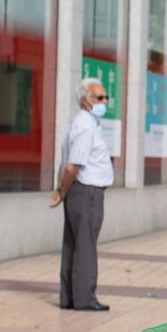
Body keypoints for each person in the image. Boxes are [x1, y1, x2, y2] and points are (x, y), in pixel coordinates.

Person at [51, 78, 115, 311]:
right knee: (86, 245)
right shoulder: (86, 125)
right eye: (99, 97)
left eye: (106, 97)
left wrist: (63, 190)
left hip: (79, 191)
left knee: (73, 243)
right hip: (86, 191)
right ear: (85, 100)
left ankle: (69, 297)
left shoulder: (80, 123)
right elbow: (72, 165)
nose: (105, 101)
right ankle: (85, 298)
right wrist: (61, 191)